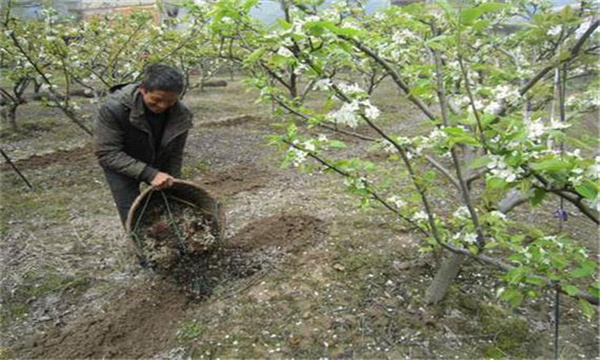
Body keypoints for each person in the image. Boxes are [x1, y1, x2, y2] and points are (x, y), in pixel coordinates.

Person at [94, 64, 193, 227]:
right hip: (121, 162)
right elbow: (107, 153)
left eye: (170, 101)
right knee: (133, 217)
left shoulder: (181, 114)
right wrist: (149, 174)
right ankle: (141, 248)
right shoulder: (114, 108)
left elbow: (174, 153)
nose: (162, 106)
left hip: (157, 158)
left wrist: (174, 184)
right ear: (143, 89)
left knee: (171, 206)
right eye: (156, 100)